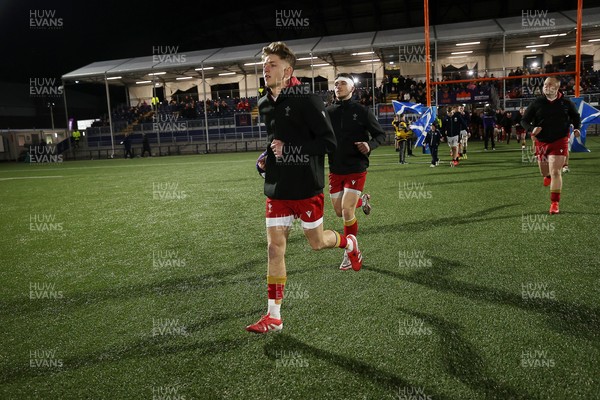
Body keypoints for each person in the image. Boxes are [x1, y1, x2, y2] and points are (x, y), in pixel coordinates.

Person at [246, 42, 363, 334]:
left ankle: (349, 244)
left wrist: (292, 148)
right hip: (277, 188)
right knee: (275, 249)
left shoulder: (308, 100)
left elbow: (328, 143)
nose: (266, 69)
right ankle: (274, 316)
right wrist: (267, 156)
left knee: (317, 242)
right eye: (264, 65)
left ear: (288, 70)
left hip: (307, 187)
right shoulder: (264, 103)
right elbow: (276, 139)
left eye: (272, 64)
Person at [326, 73, 386, 269]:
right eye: (336, 84)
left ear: (352, 88)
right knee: (338, 211)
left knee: (346, 210)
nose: (338, 86)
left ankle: (351, 251)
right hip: (336, 169)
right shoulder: (328, 112)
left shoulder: (362, 111)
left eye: (343, 83)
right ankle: (364, 201)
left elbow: (380, 135)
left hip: (356, 168)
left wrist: (369, 145)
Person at [521, 76, 581, 214]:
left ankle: (554, 203)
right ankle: (546, 176)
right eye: (545, 84)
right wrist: (531, 129)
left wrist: (576, 127)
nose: (546, 86)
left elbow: (575, 116)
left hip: (559, 140)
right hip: (541, 141)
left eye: (550, 84)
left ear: (557, 87)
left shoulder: (566, 103)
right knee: (544, 171)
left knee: (555, 171)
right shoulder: (537, 102)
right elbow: (524, 120)